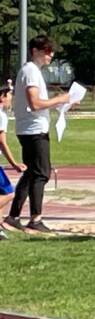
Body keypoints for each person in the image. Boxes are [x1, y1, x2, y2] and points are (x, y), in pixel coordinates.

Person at [5, 35, 70, 232]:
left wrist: (64, 103)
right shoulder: (31, 72)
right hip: (33, 129)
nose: (50, 55)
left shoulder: (31, 71)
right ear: (35, 51)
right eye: (47, 51)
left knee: (31, 172)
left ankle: (14, 215)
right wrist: (59, 99)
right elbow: (35, 104)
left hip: (30, 128)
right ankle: (35, 217)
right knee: (42, 173)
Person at [0, 86, 25, 238]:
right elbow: (2, 142)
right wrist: (14, 163)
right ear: (2, 97)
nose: (11, 99)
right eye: (9, 95)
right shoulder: (2, 116)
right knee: (9, 193)